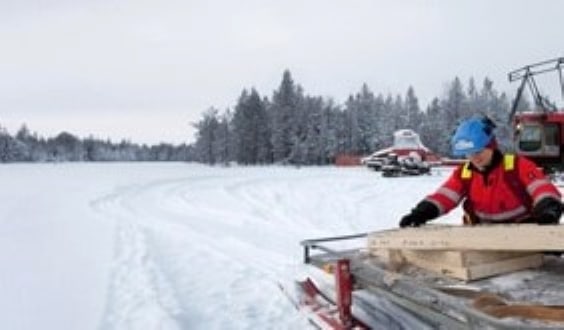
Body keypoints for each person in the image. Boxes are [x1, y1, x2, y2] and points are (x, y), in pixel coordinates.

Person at [399, 115, 562, 227]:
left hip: (523, 232)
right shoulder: (464, 173)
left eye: (478, 152)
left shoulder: (517, 166)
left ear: (491, 146)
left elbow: (542, 189)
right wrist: (421, 213)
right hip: (481, 236)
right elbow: (445, 196)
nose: (474, 158)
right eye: (469, 153)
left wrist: (548, 208)